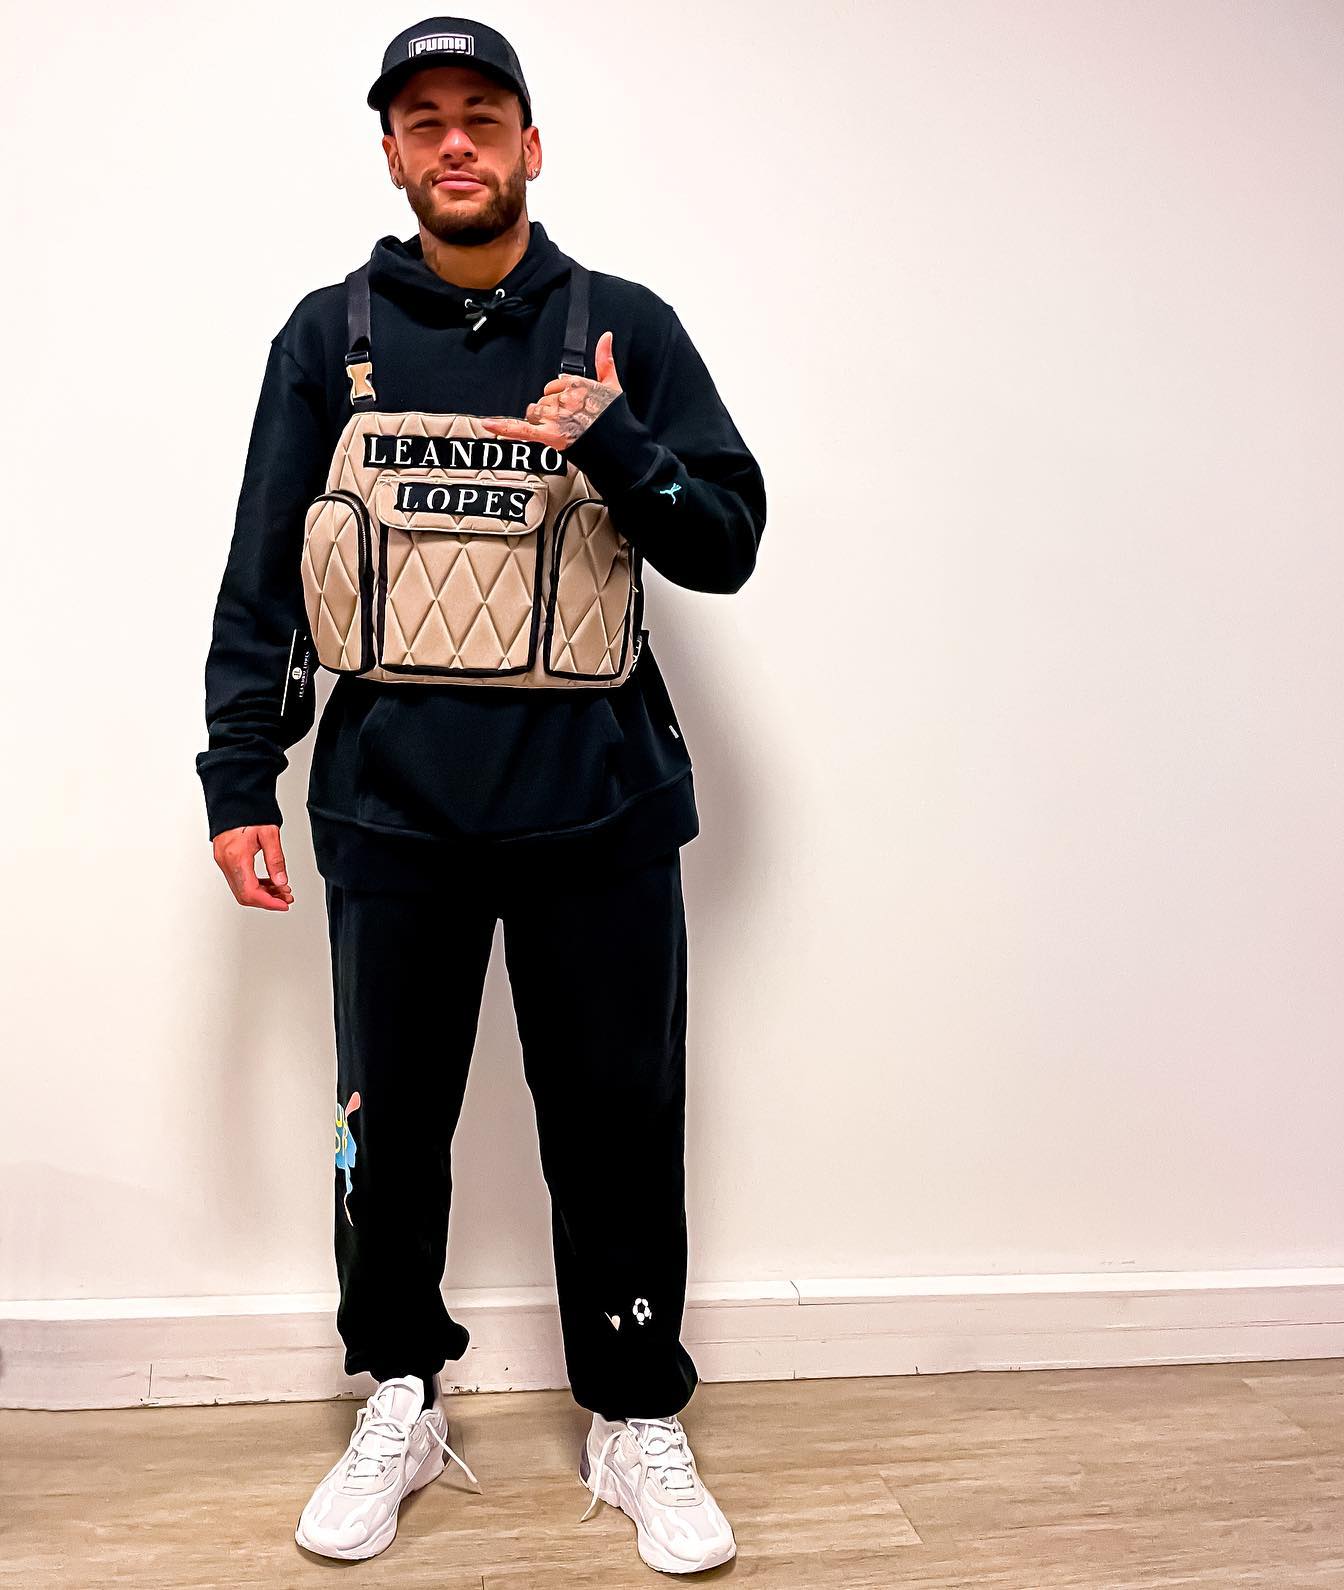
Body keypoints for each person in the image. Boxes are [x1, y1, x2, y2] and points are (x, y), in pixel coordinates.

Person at [194, 15, 764, 1574]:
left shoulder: (622, 326)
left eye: (482, 116)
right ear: (389, 150)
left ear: (529, 144)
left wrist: (619, 441)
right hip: (391, 815)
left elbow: (726, 537)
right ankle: (401, 1389)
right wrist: (239, 772)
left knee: (620, 1122)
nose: (455, 143)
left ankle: (635, 1406)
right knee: (392, 1129)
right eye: (423, 118)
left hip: (600, 810)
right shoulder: (328, 339)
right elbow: (263, 572)